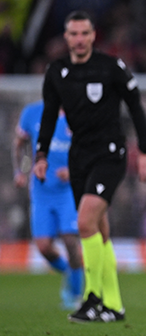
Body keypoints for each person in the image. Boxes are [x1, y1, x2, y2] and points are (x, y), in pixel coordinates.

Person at [34, 10, 146, 323]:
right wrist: (41, 154)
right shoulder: (56, 72)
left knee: (85, 221)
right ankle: (114, 306)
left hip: (110, 154)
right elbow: (49, 115)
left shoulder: (110, 66)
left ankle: (92, 297)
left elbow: (135, 106)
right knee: (99, 229)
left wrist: (144, 150)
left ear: (92, 35)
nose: (78, 39)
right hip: (79, 157)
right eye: (73, 33)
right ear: (66, 37)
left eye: (84, 33)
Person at [12, 100, 84, 310]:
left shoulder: (78, 114)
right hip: (41, 191)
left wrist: (74, 172)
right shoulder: (32, 113)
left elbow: (88, 152)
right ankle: (72, 273)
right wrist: (21, 170)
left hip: (68, 190)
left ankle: (76, 295)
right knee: (43, 246)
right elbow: (20, 145)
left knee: (70, 239)